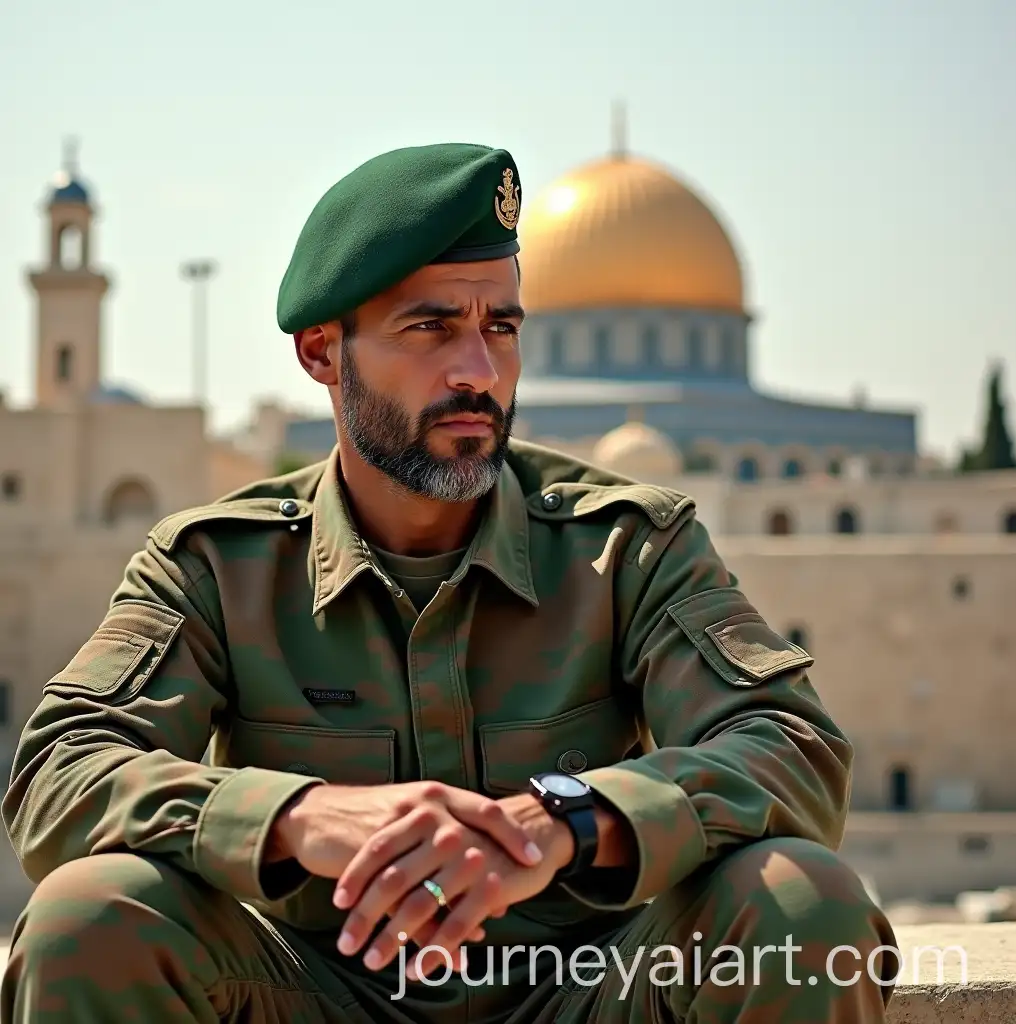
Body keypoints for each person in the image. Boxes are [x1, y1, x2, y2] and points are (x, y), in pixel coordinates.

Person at [0, 142, 898, 1023]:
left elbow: (793, 746)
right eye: (430, 327)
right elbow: (57, 770)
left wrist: (570, 822)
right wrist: (296, 816)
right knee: (90, 915)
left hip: (587, 991)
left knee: (801, 902)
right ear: (322, 352)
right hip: (313, 993)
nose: (478, 372)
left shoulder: (623, 547)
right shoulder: (217, 566)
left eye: (499, 328)